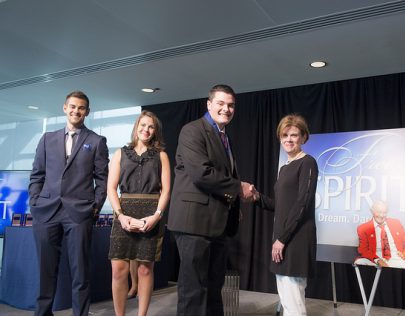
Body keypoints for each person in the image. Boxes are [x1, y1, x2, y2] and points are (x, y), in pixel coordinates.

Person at [167, 84, 253, 316]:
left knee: (214, 289)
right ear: (209, 104)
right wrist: (239, 188)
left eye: (231, 105)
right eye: (221, 103)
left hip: (218, 224)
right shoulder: (193, 130)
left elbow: (222, 176)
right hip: (194, 223)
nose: (226, 109)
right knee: (194, 291)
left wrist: (233, 203)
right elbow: (201, 173)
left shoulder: (224, 137)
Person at [28, 91, 109, 316]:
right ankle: (43, 313)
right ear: (65, 108)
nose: (76, 111)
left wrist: (94, 207)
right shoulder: (47, 138)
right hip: (46, 212)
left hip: (79, 213)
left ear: (87, 112)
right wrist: (35, 201)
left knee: (80, 273)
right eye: (72, 106)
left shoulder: (96, 141)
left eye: (81, 108)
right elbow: (37, 174)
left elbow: (102, 179)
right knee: (46, 271)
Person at [250, 114, 318, 316]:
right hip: (284, 239)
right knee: (288, 301)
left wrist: (282, 239)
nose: (288, 139)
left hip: (295, 240)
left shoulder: (308, 162)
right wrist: (257, 197)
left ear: (304, 137)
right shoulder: (285, 168)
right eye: (284, 135)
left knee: (293, 304)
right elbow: (280, 206)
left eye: (294, 135)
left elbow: (302, 204)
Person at [107, 110, 171, 316]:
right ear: (136, 127)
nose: (146, 129)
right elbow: (111, 188)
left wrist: (157, 215)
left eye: (151, 126)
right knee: (118, 271)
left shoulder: (161, 155)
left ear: (155, 131)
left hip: (150, 216)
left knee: (145, 269)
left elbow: (167, 190)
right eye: (143, 125)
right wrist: (120, 215)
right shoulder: (120, 153)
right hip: (123, 214)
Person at [354, 200, 405, 269]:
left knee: (404, 266)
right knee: (359, 262)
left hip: (394, 258)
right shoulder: (363, 228)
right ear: (372, 212)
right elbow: (363, 250)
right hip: (374, 259)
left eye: (384, 212)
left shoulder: (396, 223)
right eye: (379, 212)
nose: (381, 215)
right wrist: (378, 260)